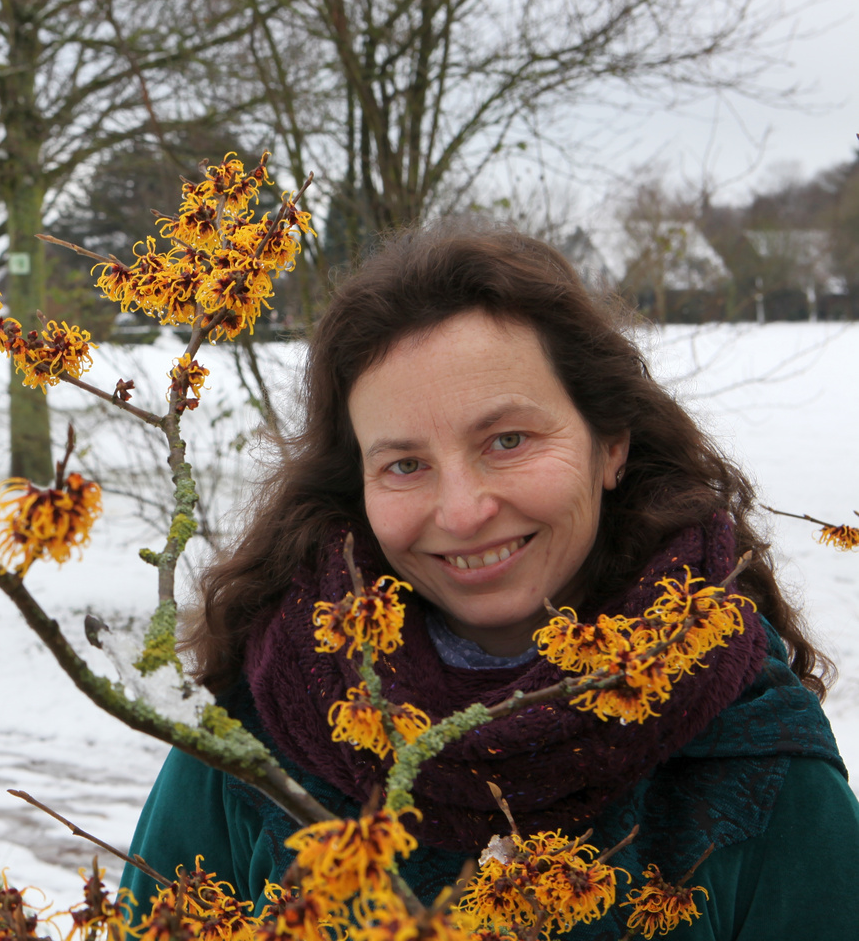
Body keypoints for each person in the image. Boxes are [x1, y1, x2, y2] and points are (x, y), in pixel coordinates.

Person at [120, 229, 859, 938]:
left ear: (611, 444)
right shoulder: (267, 723)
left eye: (509, 441)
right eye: (405, 464)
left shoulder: (752, 751)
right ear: (358, 489)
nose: (464, 512)